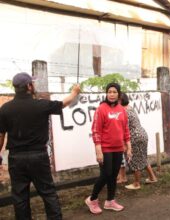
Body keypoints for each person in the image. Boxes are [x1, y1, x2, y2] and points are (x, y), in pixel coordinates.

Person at [0, 72, 80, 219]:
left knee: (20, 198)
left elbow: (1, 135)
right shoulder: (41, 105)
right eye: (33, 83)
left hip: (16, 159)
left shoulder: (5, 109)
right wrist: (74, 92)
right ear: (29, 86)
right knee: (48, 193)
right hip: (38, 156)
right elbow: (63, 103)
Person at [85, 83, 132, 214]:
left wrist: (129, 147)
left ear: (119, 94)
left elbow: (126, 130)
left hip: (118, 148)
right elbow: (95, 131)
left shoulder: (122, 110)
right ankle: (92, 199)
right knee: (106, 174)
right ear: (106, 93)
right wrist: (98, 150)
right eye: (109, 92)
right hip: (105, 148)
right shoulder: (101, 109)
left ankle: (110, 201)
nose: (111, 94)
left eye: (114, 92)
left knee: (113, 175)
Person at [119, 93, 158, 190]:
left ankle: (136, 183)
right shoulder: (130, 108)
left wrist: (124, 143)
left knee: (134, 160)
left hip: (134, 137)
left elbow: (124, 128)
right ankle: (152, 177)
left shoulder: (123, 111)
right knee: (143, 157)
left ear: (120, 101)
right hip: (142, 134)